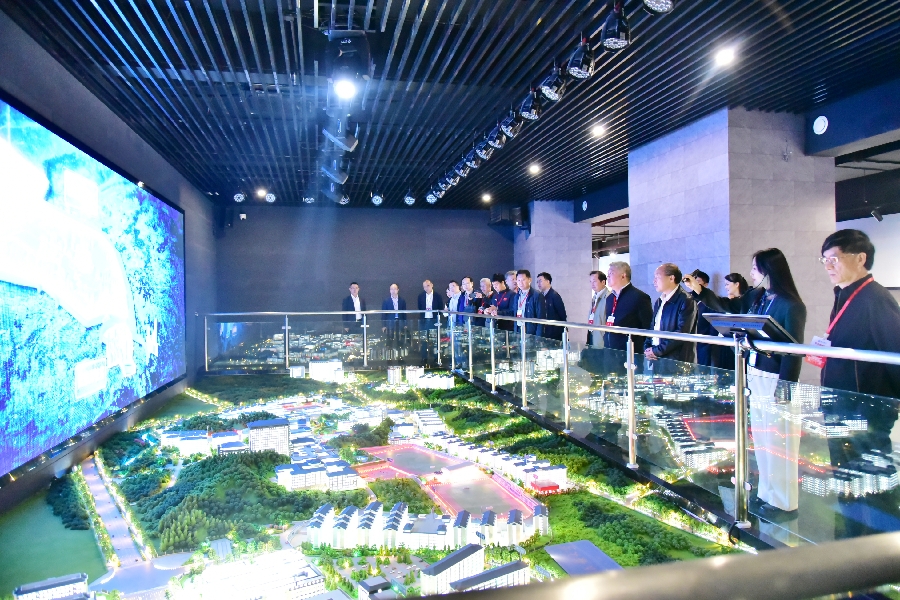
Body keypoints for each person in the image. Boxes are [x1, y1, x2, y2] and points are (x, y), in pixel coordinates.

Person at [817, 229, 900, 537]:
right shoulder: (845, 294)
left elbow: (895, 353)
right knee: (848, 481)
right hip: (842, 405)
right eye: (824, 259)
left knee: (873, 484)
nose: (828, 265)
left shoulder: (874, 298)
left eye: (834, 258)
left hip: (865, 409)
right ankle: (853, 543)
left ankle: (882, 551)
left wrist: (891, 404)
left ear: (860, 258)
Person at [719, 248, 806, 514]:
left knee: (778, 441)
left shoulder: (791, 305)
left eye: (756, 269)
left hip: (775, 377)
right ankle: (767, 493)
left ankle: (783, 502)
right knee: (761, 438)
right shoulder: (760, 299)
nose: (752, 274)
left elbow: (793, 350)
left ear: (769, 271)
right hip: (755, 373)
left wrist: (785, 387)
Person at [644, 263, 698, 367]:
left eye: (657, 277)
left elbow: (681, 333)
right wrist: (647, 347)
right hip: (657, 358)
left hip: (677, 362)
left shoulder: (686, 300)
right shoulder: (659, 301)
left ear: (671, 278)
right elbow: (653, 327)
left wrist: (657, 351)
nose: (654, 281)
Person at [603, 262, 653, 351]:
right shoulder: (609, 298)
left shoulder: (639, 297)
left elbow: (648, 327)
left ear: (623, 276)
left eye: (611, 273)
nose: (608, 276)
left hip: (630, 352)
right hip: (610, 350)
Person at [687, 269, 724, 367]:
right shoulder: (686, 298)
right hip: (687, 341)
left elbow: (713, 326)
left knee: (702, 369)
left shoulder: (710, 301)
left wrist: (709, 343)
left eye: (698, 282)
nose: (694, 285)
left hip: (703, 343)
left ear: (706, 284)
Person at [417, 279, 445, 366]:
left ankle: (436, 358)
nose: (426, 288)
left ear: (432, 285)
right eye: (424, 286)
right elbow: (419, 308)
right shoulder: (420, 296)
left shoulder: (438, 296)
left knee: (435, 341)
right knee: (423, 340)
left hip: (434, 321)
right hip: (424, 321)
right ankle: (424, 358)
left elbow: (440, 308)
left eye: (428, 286)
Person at [536, 272, 567, 341]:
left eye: (540, 281)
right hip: (545, 332)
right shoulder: (540, 296)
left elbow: (562, 315)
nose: (538, 284)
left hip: (554, 333)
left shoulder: (554, 296)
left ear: (548, 281)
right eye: (537, 282)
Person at [381, 283, 408, 354]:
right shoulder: (386, 301)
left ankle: (400, 356)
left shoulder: (402, 300)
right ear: (389, 290)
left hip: (400, 322)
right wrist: (383, 325)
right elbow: (383, 314)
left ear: (398, 290)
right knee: (389, 340)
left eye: (395, 289)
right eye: (391, 289)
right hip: (390, 323)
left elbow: (404, 313)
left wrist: (405, 324)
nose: (393, 291)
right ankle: (389, 357)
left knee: (400, 340)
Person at [587, 270, 609, 348]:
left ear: (603, 282)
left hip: (601, 338)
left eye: (594, 281)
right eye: (590, 282)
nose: (592, 284)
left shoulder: (608, 297)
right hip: (592, 333)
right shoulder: (595, 296)